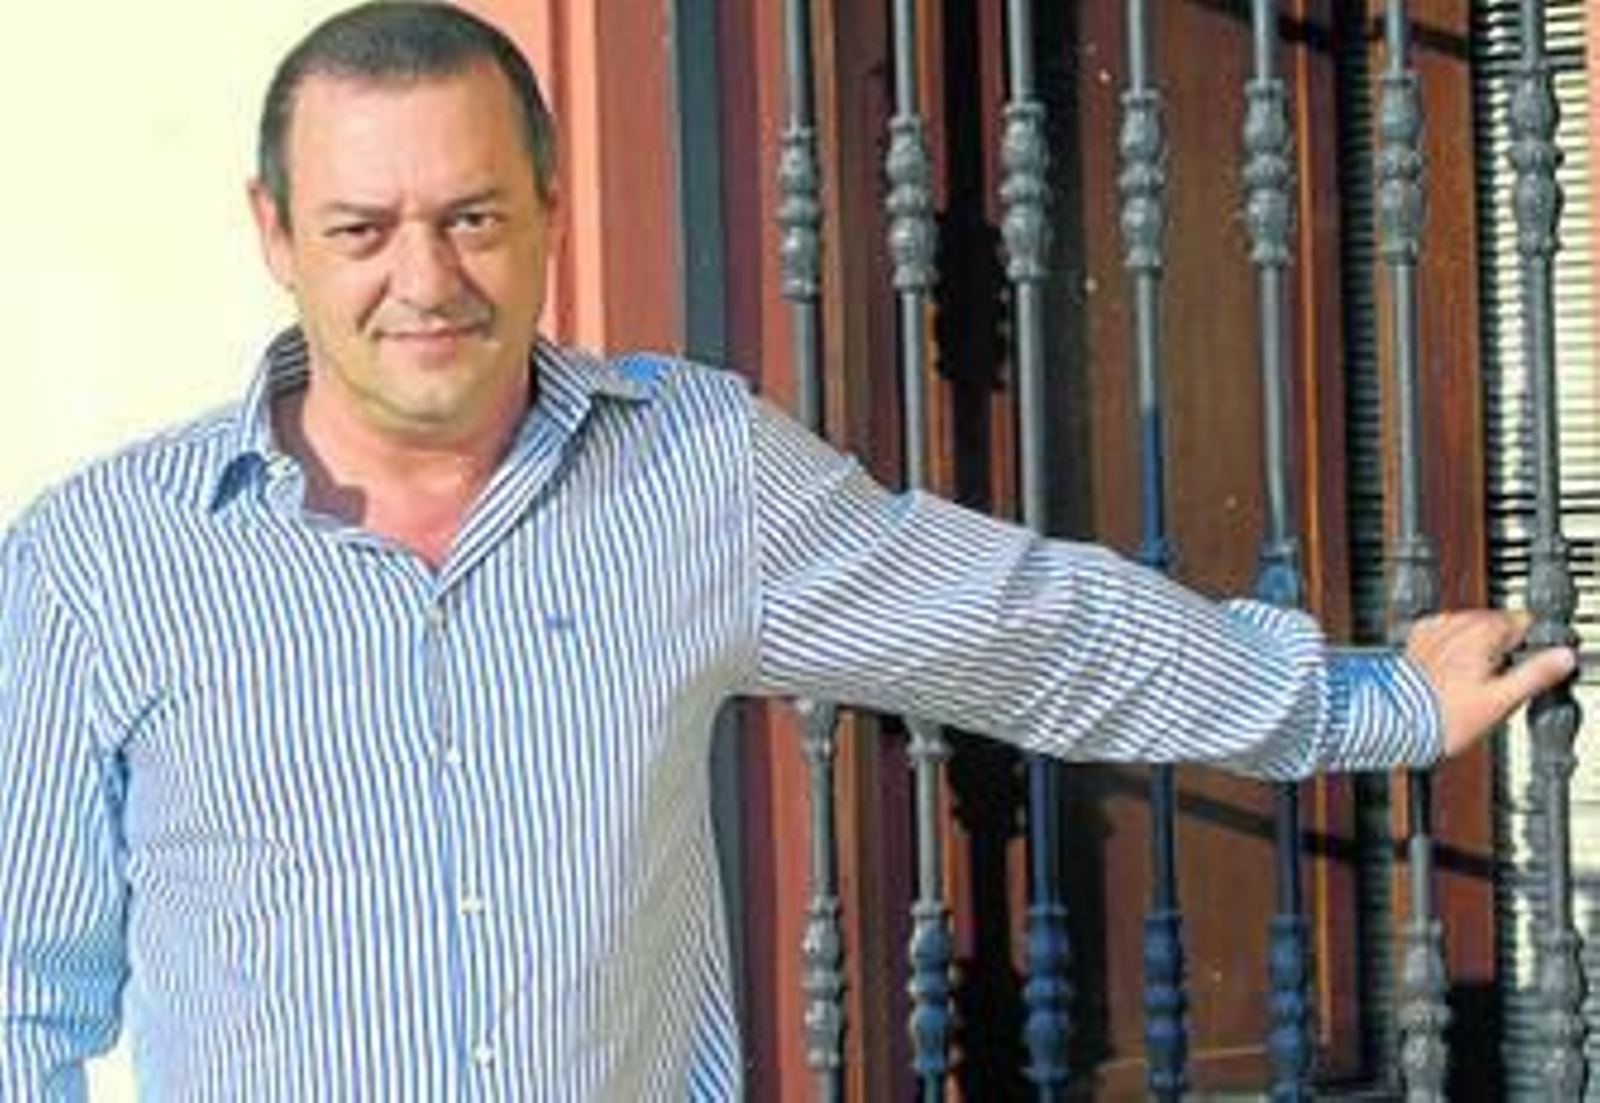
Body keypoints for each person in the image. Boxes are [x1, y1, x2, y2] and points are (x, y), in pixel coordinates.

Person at [0, 1, 1576, 1098]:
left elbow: (1019, 626)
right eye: (361, 228)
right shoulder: (100, 565)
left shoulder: (692, 475)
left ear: (549, 206)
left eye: (472, 217)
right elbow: (22, 998)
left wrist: (1367, 703)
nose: (425, 278)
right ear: (276, 233)